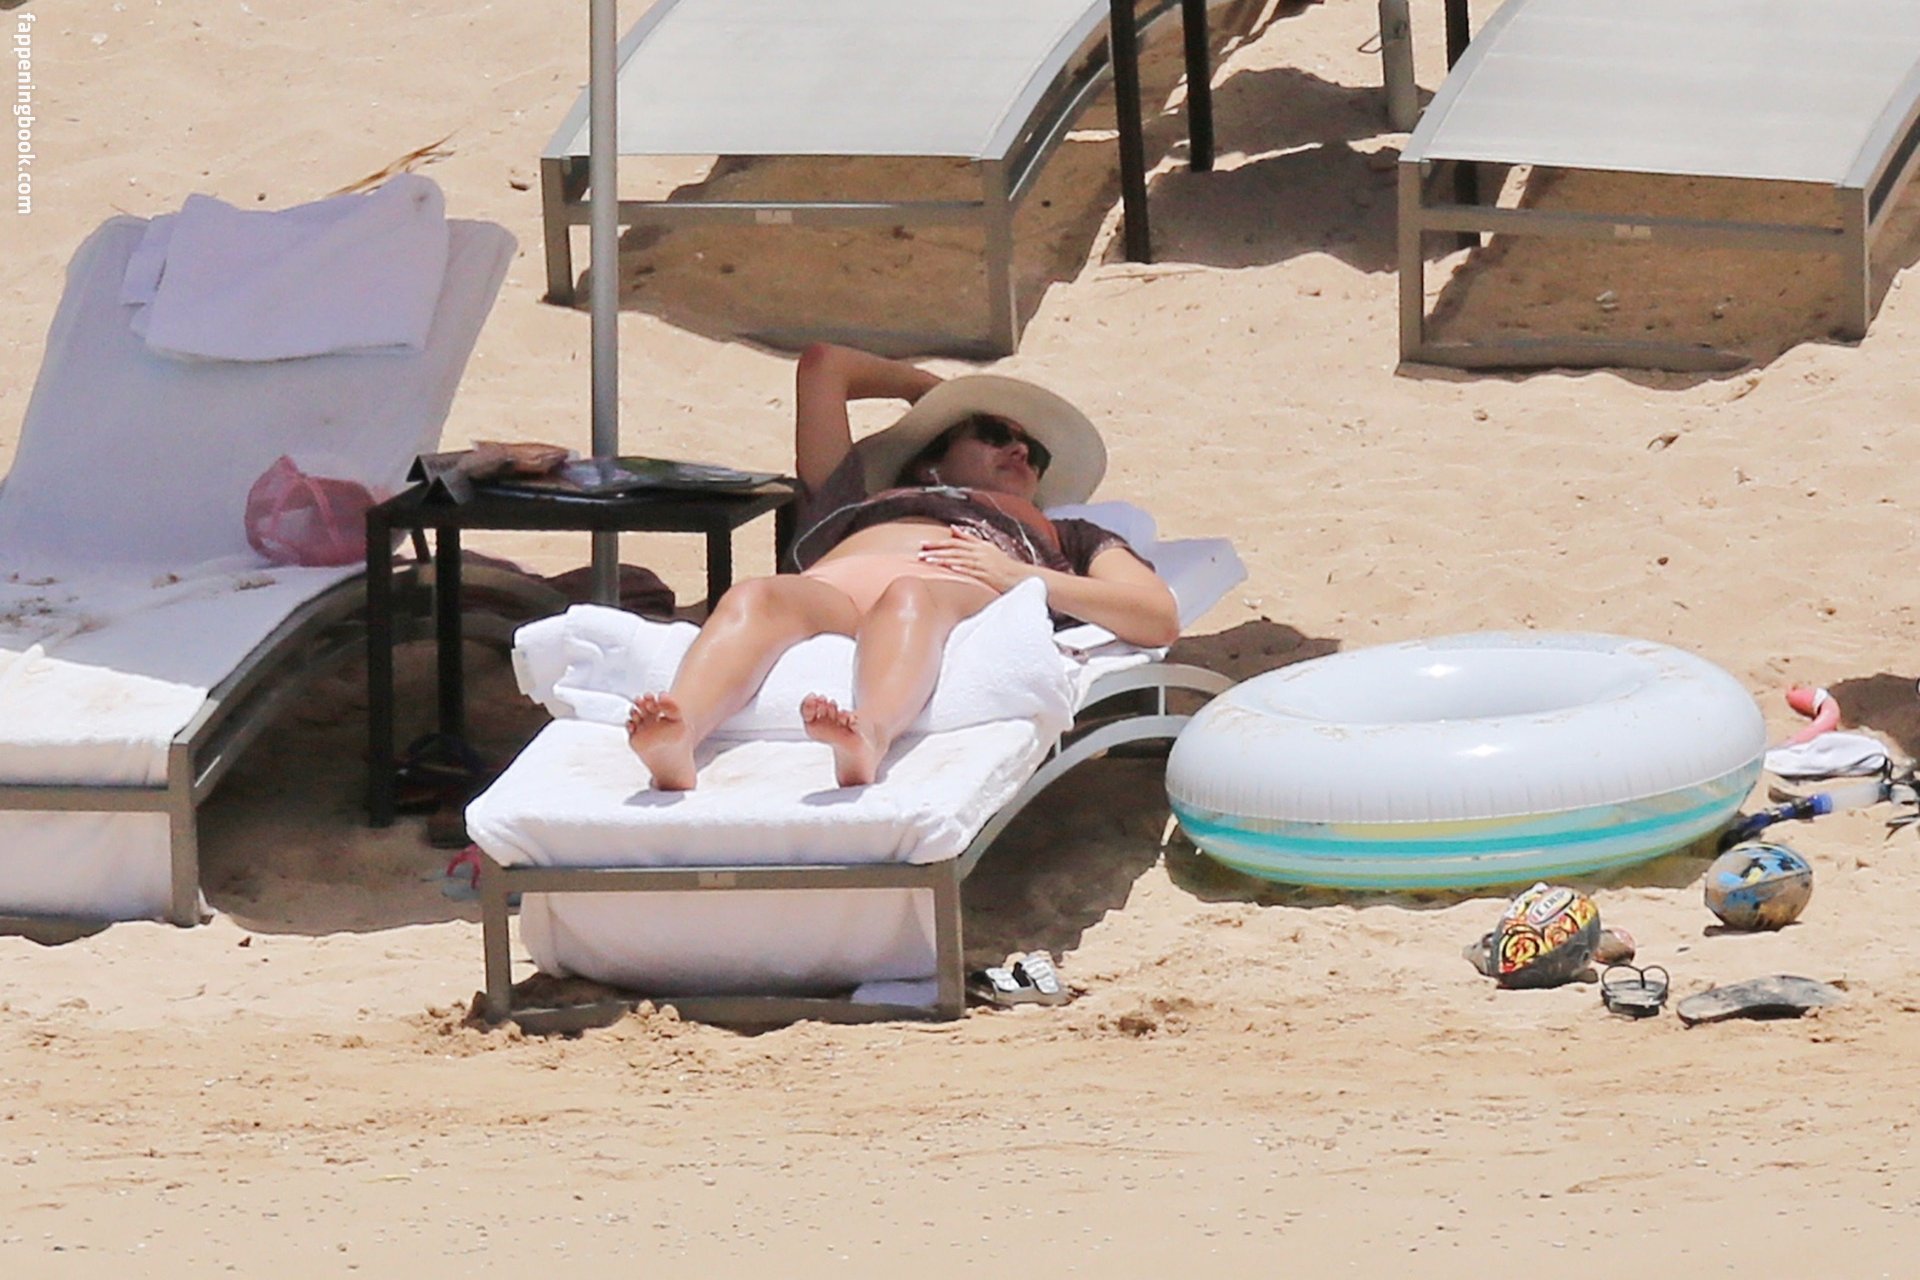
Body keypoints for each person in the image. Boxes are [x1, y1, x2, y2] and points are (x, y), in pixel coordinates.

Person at [627, 342, 1179, 790]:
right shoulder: (859, 497)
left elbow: (1157, 615)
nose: (1019, 451)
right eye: (993, 435)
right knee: (756, 596)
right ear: (929, 464)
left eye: (1035, 453)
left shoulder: (1066, 533)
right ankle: (680, 731)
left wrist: (1022, 575)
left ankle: (870, 732)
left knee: (909, 596)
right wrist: (933, 395)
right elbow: (823, 365)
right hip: (832, 592)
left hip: (946, 588)